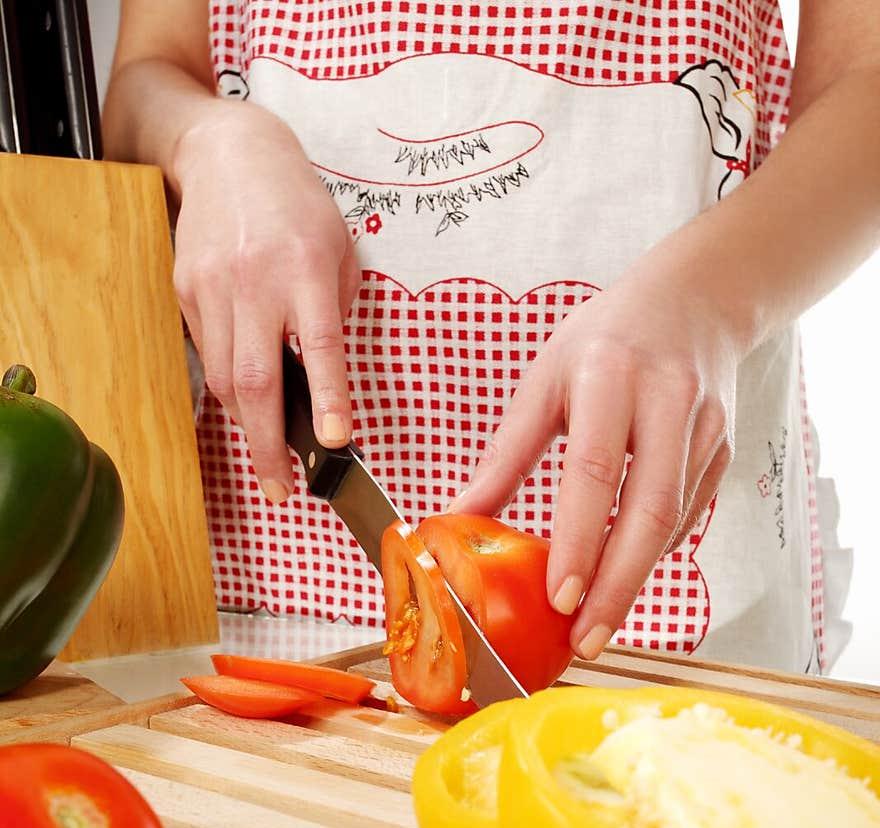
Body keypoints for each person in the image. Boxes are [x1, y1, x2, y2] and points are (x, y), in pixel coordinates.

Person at [103, 1, 878, 674]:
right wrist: (209, 140)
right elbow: (147, 73)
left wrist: (708, 300)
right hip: (280, 562)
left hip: (670, 560)